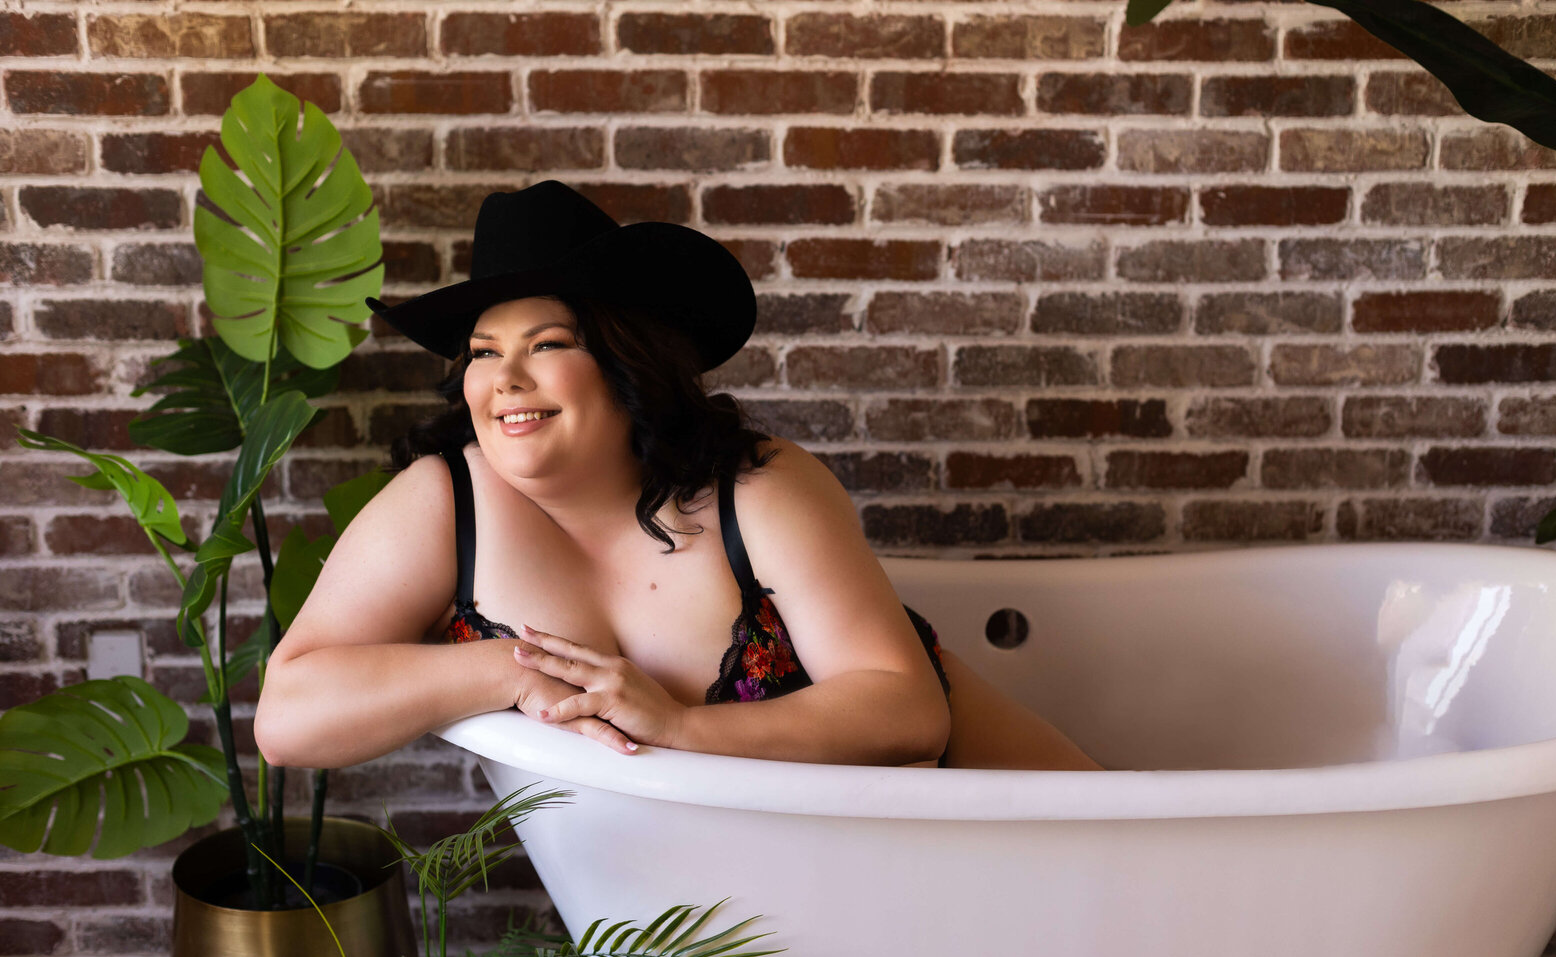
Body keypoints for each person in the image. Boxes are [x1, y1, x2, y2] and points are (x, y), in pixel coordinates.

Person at [254, 181, 1101, 772]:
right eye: (482, 354)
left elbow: (913, 716)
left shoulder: (760, 488)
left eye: (547, 345)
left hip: (985, 809)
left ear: (626, 361)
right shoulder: (449, 501)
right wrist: (510, 668)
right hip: (733, 928)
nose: (504, 379)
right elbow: (288, 719)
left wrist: (682, 724)